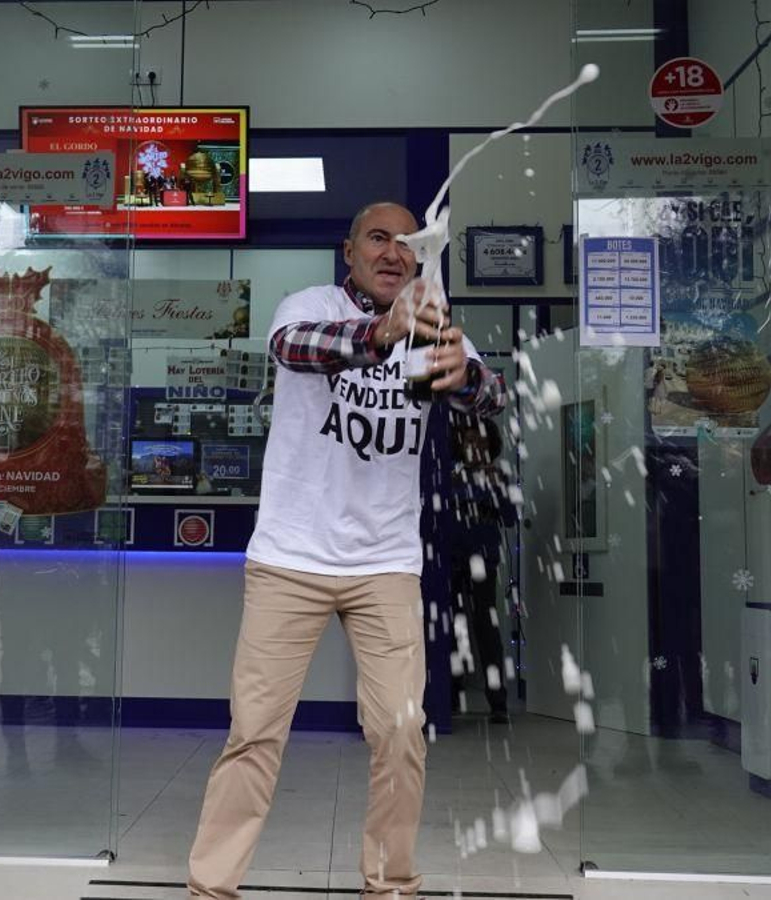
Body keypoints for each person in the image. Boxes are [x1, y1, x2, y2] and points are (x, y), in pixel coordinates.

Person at [187, 202, 507, 899]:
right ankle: (210, 890)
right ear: (350, 250)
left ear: (418, 258)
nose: (393, 252)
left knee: (401, 734)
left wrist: (465, 378)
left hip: (385, 565)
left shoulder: (432, 322)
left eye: (406, 243)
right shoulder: (310, 306)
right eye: (377, 238)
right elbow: (294, 348)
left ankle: (391, 888)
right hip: (290, 559)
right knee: (254, 734)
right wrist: (381, 333)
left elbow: (491, 397)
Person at [446, 415, 518, 724]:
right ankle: (450, 695)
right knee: (451, 626)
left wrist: (496, 487)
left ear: (491, 445)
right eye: (470, 440)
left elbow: (510, 517)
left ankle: (498, 702)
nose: (474, 446)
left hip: (483, 558)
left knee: (486, 628)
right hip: (451, 557)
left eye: (481, 441)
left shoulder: (499, 475)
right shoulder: (450, 475)